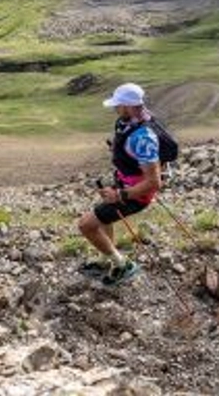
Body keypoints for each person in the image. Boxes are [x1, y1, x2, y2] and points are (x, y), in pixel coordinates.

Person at [76, 82, 162, 286]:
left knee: (86, 225)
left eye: (118, 104)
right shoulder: (129, 122)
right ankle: (109, 258)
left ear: (129, 106)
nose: (115, 108)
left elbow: (154, 182)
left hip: (135, 195)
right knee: (104, 217)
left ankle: (122, 265)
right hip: (124, 184)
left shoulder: (144, 138)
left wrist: (119, 196)